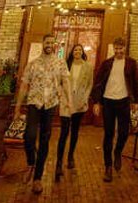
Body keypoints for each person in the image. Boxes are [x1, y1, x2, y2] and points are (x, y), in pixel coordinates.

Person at [14, 34, 70, 194]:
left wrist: (68, 100)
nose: (49, 45)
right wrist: (18, 106)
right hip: (34, 102)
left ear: (55, 45)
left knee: (45, 140)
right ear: (42, 43)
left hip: (50, 104)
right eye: (47, 42)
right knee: (29, 136)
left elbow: (66, 82)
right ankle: (31, 162)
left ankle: (37, 178)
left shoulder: (60, 63)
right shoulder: (33, 64)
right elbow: (24, 85)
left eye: (52, 43)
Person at [90, 37, 138, 183]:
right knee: (109, 134)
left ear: (125, 48)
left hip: (124, 101)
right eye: (116, 49)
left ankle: (118, 151)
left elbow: (135, 83)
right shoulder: (106, 64)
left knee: (124, 132)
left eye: (121, 48)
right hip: (108, 101)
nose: (118, 51)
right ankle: (108, 167)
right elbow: (98, 82)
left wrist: (137, 101)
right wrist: (96, 102)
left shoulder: (131, 63)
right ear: (114, 49)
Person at [56, 43, 93, 180]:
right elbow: (59, 82)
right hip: (66, 101)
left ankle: (70, 156)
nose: (77, 51)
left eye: (79, 50)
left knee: (75, 131)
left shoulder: (88, 67)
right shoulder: (65, 65)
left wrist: (85, 98)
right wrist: (60, 94)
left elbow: (90, 84)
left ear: (82, 52)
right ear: (72, 52)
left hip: (80, 102)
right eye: (75, 50)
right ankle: (59, 163)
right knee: (64, 132)